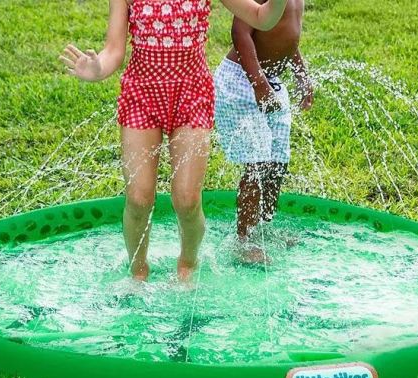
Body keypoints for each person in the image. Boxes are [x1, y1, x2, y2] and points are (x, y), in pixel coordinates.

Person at [59, 0, 290, 282]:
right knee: (138, 198)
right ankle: (138, 272)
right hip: (142, 95)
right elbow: (114, 51)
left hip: (192, 94)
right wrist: (97, 69)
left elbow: (261, 17)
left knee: (187, 200)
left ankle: (187, 266)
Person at [213, 0, 313, 264]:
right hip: (242, 81)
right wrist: (258, 84)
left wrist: (302, 75)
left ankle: (264, 230)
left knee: (277, 164)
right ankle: (243, 241)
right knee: (257, 165)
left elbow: (288, 39)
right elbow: (240, 33)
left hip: (272, 82)